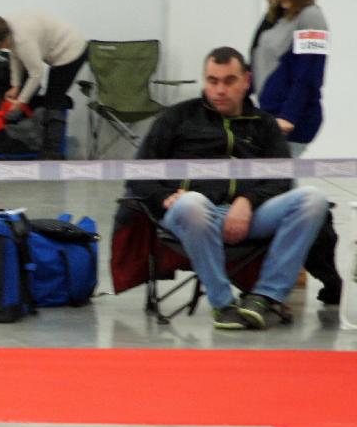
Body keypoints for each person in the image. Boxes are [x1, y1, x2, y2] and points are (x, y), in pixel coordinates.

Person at [125, 47, 329, 330]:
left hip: (251, 216)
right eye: (212, 81)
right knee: (192, 204)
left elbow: (282, 179)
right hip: (189, 213)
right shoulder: (176, 117)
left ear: (246, 81)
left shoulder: (265, 125)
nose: (220, 90)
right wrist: (163, 198)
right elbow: (138, 173)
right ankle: (222, 304)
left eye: (229, 80)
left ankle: (266, 297)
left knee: (313, 199)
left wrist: (247, 201)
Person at [0, 12, 88, 159]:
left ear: (4, 39)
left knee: (54, 101)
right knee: (50, 97)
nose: (1, 50)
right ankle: (50, 149)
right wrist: (15, 85)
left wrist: (21, 101)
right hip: (62, 47)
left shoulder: (22, 40)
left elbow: (36, 74)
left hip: (71, 51)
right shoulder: (7, 28)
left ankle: (52, 153)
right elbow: (15, 56)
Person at [250, 0, 328, 157]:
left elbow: (309, 74)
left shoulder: (311, 17)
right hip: (268, 115)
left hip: (294, 120)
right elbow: (256, 65)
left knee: (276, 175)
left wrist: (289, 116)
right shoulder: (272, 17)